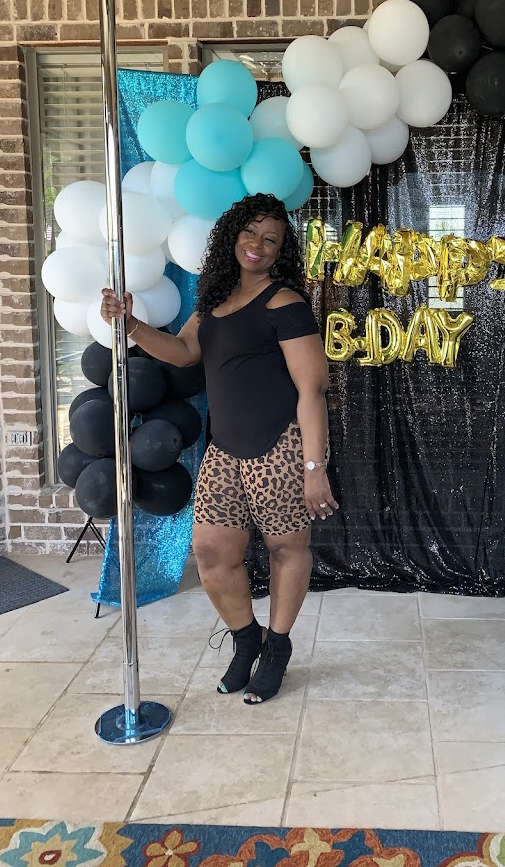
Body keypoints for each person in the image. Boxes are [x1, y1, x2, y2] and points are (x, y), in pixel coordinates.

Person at [100, 193, 338, 705]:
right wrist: (131, 325)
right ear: (232, 235)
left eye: (271, 239)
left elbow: (312, 389)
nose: (257, 245)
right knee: (211, 552)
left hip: (280, 447)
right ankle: (247, 639)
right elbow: (185, 352)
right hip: (225, 450)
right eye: (250, 232)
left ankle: (277, 648)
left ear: (281, 251)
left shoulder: (284, 303)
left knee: (286, 549)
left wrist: (314, 467)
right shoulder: (213, 301)